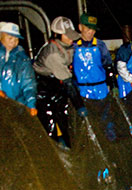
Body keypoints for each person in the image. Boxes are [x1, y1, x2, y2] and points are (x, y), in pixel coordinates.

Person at [33, 16, 87, 148]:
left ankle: (72, 149)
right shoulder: (53, 53)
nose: (71, 39)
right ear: (57, 34)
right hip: (42, 89)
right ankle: (53, 156)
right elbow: (68, 82)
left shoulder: (69, 47)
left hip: (58, 85)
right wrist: (79, 105)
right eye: (67, 36)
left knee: (66, 123)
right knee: (49, 125)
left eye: (72, 36)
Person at [73, 13, 116, 100]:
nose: (91, 32)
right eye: (88, 28)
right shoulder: (73, 47)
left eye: (93, 29)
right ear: (80, 27)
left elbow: (108, 66)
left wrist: (114, 85)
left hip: (101, 89)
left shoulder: (100, 45)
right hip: (82, 90)